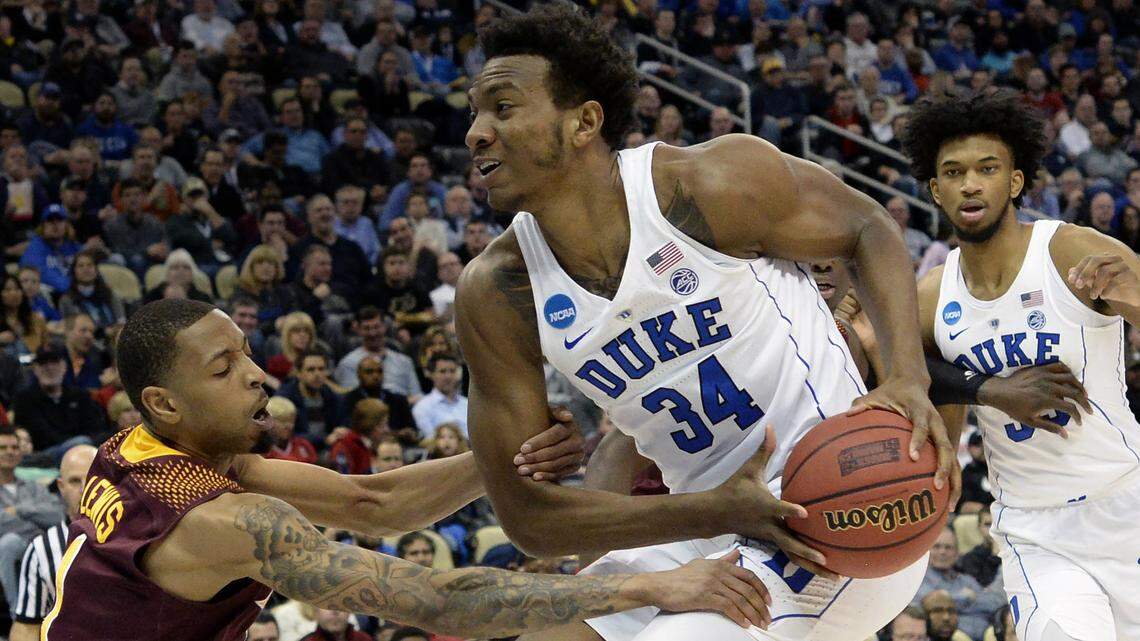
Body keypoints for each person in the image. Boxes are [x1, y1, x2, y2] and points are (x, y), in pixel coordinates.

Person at [457, 6, 954, 641]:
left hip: (844, 503)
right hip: (704, 523)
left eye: (502, 108)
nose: (476, 132)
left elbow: (868, 227)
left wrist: (907, 376)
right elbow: (530, 518)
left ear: (584, 121)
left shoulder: (705, 184)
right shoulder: (494, 291)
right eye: (474, 112)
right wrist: (710, 511)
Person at [42, 299, 771, 639]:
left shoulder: (156, 447)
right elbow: (436, 602)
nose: (260, 376)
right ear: (164, 401)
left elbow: (377, 500)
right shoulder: (223, 521)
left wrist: (499, 460)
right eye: (225, 367)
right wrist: (647, 583)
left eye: (248, 352)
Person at [905, 90, 1140, 641]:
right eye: (954, 172)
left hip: (1125, 500)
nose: (970, 184)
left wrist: (1133, 296)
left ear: (1014, 181)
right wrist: (990, 394)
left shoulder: (1070, 251)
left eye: (987, 169)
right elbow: (927, 386)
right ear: (935, 189)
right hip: (1034, 529)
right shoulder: (932, 294)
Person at [8, 444, 97, 641]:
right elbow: (26, 627)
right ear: (61, 487)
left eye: (92, 479)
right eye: (75, 481)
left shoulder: (135, 535)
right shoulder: (41, 549)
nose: (85, 489)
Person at [0, 424, 66, 619]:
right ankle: (17, 617)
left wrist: (20, 510)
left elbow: (58, 515)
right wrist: (37, 522)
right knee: (9, 542)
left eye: (14, 447)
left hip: (37, 544)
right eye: (3, 448)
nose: (10, 452)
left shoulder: (34, 487)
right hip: (11, 547)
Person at [411, 352, 466, 439]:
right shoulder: (422, 407)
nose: (448, 376)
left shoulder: (468, 404)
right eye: (442, 371)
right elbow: (431, 440)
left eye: (452, 371)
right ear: (431, 374)